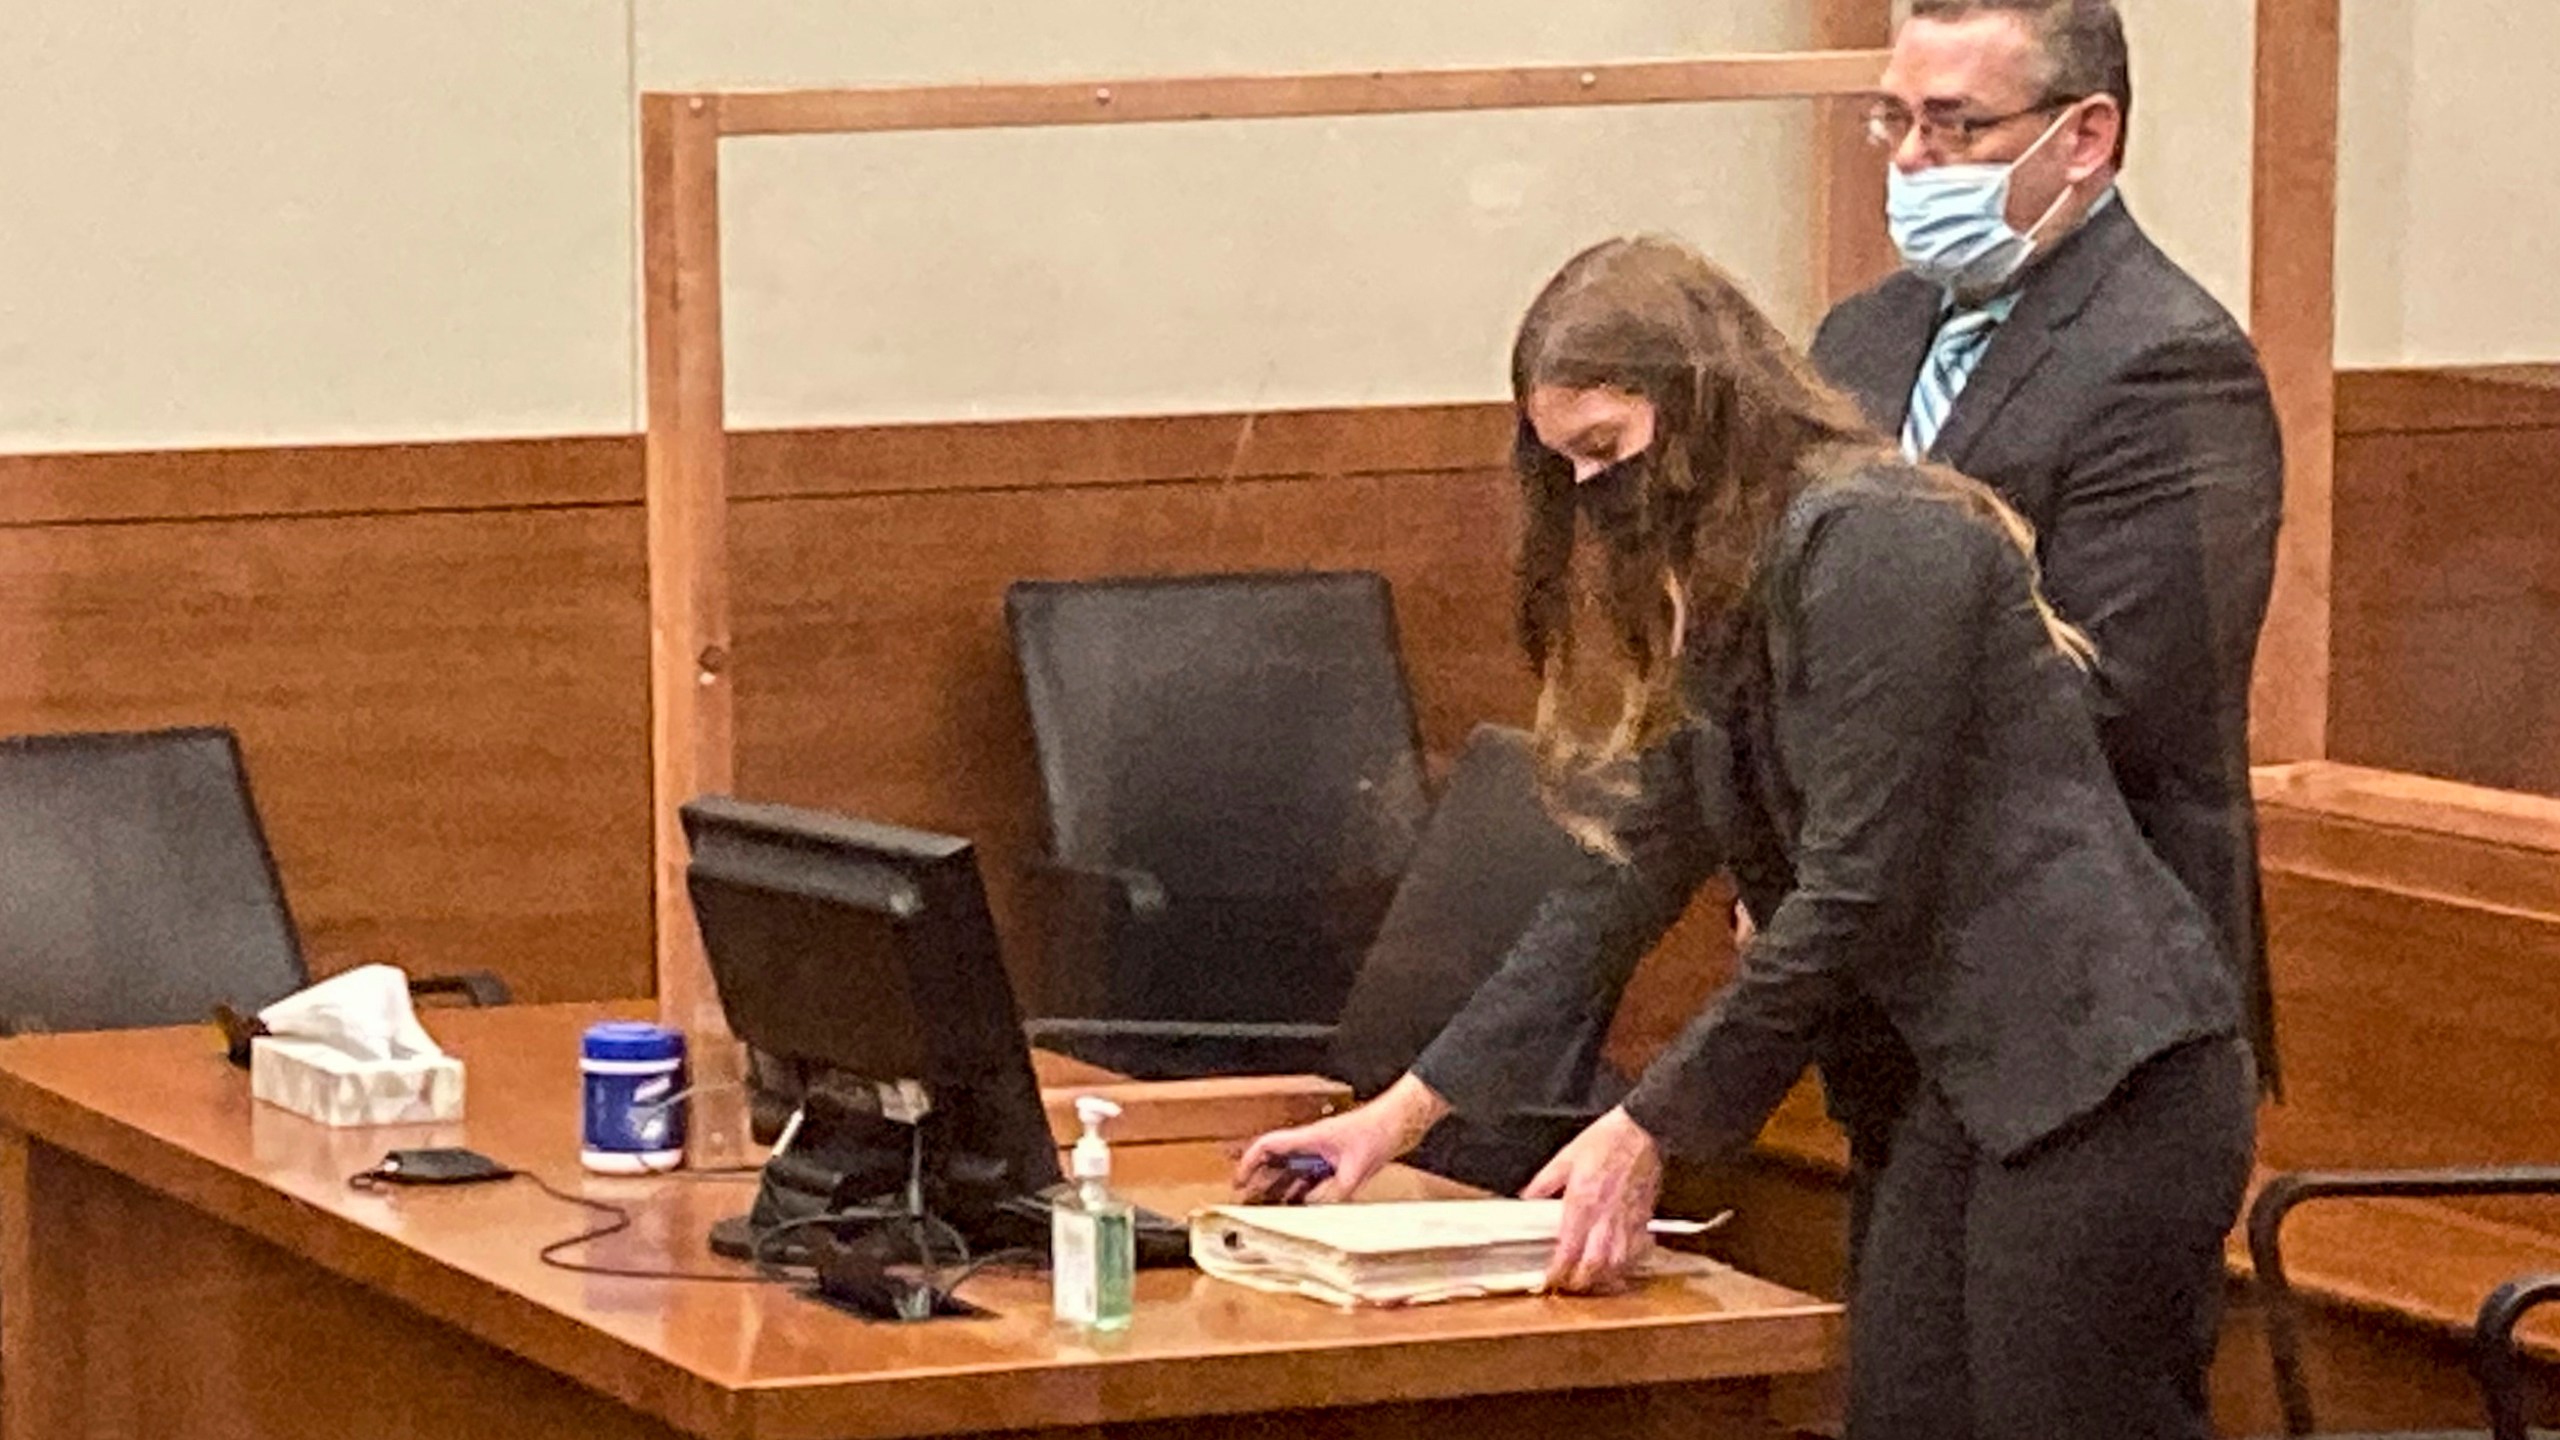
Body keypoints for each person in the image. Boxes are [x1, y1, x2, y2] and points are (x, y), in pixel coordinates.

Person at [1237, 236, 2254, 1440]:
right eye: (1562, 465)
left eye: (1606, 453)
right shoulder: (1740, 580)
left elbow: (1856, 889)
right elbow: (1624, 880)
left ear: (1705, 406)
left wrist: (1650, 1122)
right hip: (1960, 1087)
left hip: (2102, 1075)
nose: (1588, 497)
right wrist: (1400, 1113)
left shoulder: (1880, 541)